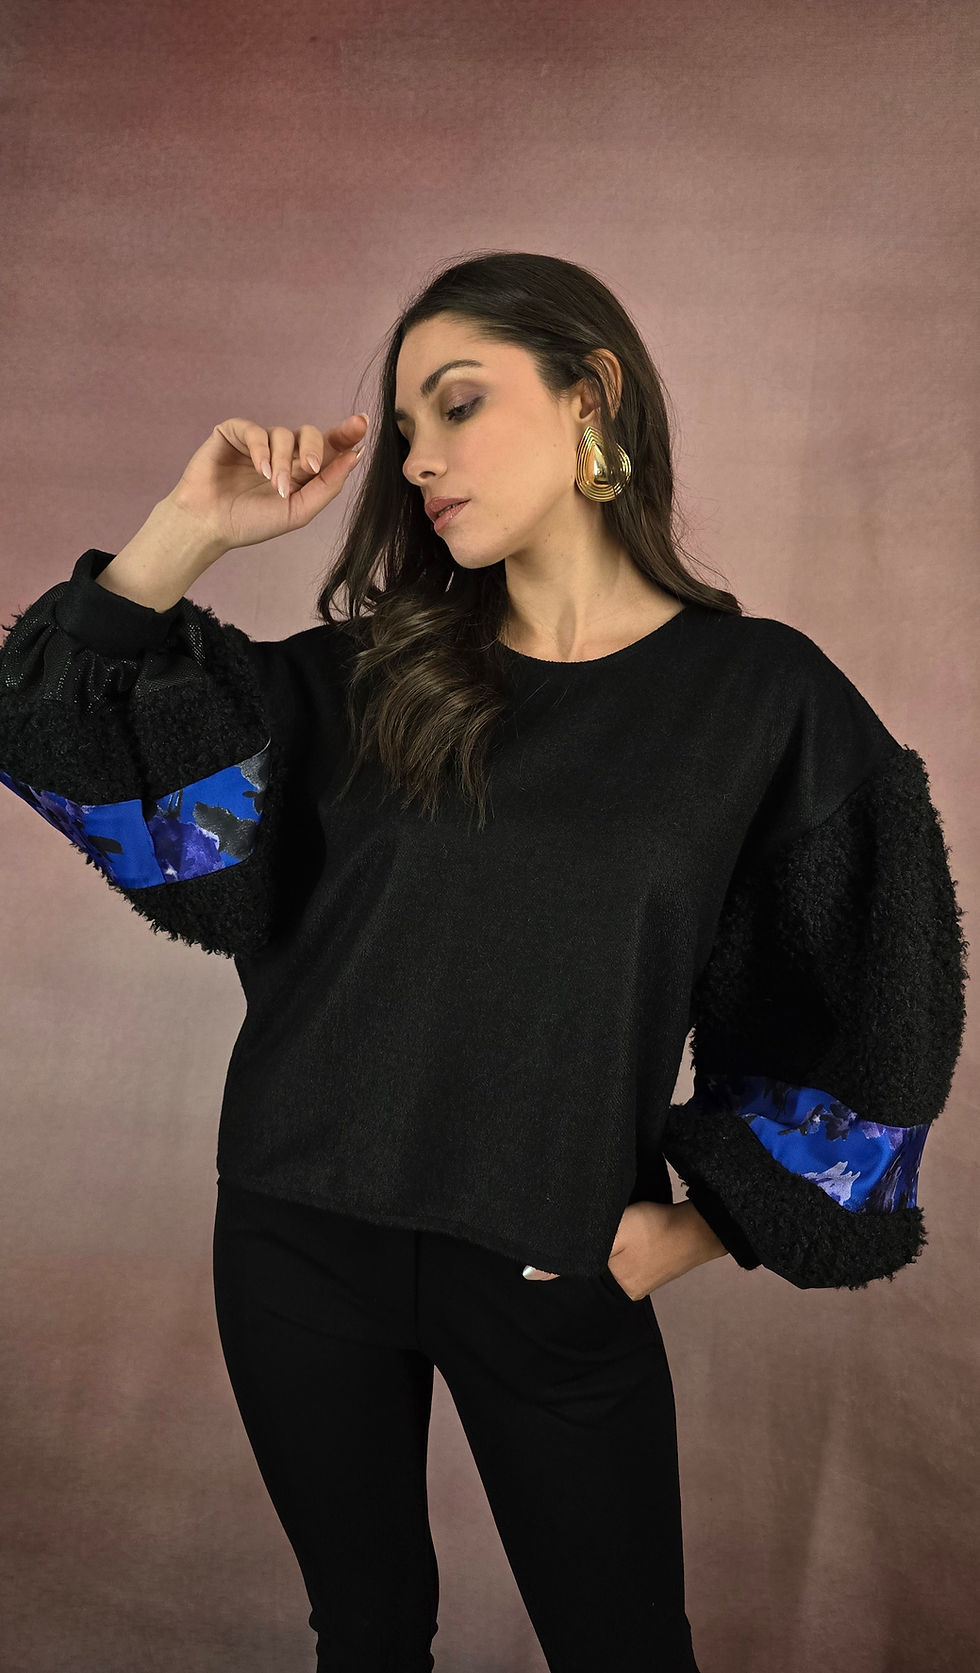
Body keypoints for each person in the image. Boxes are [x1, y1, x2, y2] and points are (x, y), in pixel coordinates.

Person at [0, 252, 968, 1673]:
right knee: (368, 1634)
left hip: (549, 1262)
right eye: (405, 428)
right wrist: (188, 528)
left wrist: (702, 1226)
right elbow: (61, 738)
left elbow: (878, 996)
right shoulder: (366, 677)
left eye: (458, 406)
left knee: (625, 1648)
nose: (419, 460)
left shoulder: (763, 699)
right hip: (293, 1238)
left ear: (594, 395)